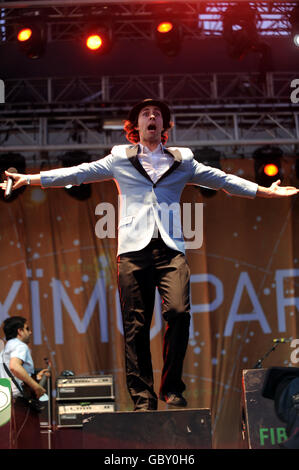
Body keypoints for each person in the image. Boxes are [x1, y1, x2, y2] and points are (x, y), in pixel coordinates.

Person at [1, 98, 298, 412]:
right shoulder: (119, 158)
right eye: (146, 114)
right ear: (136, 126)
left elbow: (223, 181)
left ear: (165, 126)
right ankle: (143, 400)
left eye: (158, 114)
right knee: (136, 328)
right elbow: (78, 173)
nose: (152, 117)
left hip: (171, 250)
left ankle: (171, 386)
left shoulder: (183, 160)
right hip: (132, 251)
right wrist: (31, 179)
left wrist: (267, 191)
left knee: (180, 313)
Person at [0, 316, 49, 448]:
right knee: (30, 444)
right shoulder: (20, 345)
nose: (30, 332)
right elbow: (14, 366)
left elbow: (10, 375)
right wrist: (36, 387)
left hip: (7, 404)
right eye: (27, 329)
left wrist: (33, 377)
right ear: (20, 331)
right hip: (21, 404)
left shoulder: (5, 349)